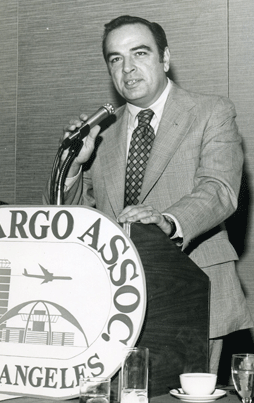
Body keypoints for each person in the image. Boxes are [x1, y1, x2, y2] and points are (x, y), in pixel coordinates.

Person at [43, 15, 253, 374]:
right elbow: (68, 216)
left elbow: (220, 190)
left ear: (165, 59)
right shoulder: (102, 134)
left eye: (139, 53)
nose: (128, 68)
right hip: (113, 300)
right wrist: (74, 165)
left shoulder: (210, 112)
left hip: (192, 289)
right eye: (115, 58)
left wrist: (167, 221)